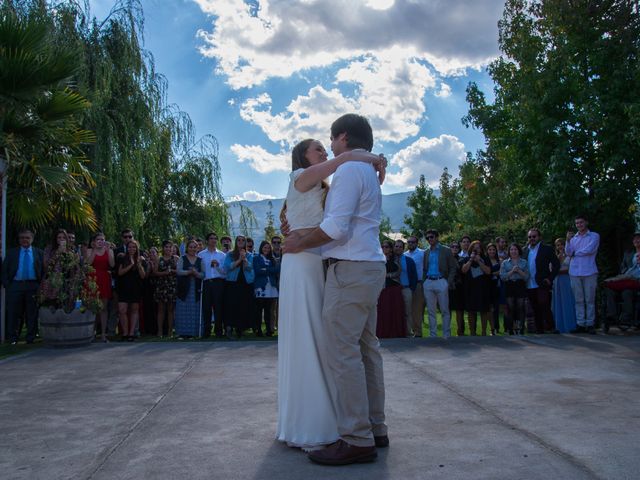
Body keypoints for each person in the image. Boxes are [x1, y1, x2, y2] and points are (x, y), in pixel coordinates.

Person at [284, 113, 389, 465]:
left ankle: (357, 438)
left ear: (342, 137)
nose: (329, 147)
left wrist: (301, 244)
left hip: (350, 269)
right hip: (370, 265)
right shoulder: (368, 172)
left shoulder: (348, 171)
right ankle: (376, 428)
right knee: (365, 349)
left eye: (330, 140)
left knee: (342, 353)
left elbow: (336, 227)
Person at [2, 229, 45, 344]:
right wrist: (8, 285)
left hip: (33, 285)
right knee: (14, 313)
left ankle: (30, 337)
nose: (24, 240)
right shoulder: (12, 253)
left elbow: (44, 270)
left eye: (27, 237)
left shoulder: (39, 253)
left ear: (32, 239)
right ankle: (13, 338)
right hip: (16, 285)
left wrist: (41, 285)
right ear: (19, 239)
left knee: (32, 313)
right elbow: (4, 270)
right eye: (22, 238)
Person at [566, 215, 600, 334]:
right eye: (577, 223)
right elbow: (568, 253)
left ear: (586, 222)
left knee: (589, 299)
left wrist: (576, 253)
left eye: (581, 222)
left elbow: (590, 249)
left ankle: (590, 323)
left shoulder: (594, 236)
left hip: (589, 271)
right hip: (575, 272)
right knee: (578, 300)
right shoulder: (573, 238)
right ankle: (580, 323)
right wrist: (567, 241)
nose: (579, 225)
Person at [523, 228, 560, 334]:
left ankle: (551, 327)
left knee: (544, 304)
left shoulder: (546, 249)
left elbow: (556, 264)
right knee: (535, 307)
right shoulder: (525, 250)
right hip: (529, 283)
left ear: (539, 237)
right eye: (530, 237)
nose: (532, 239)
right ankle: (539, 329)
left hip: (542, 282)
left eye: (534, 236)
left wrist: (550, 278)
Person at [422, 229, 457, 338]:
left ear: (437, 237)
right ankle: (433, 335)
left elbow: (453, 267)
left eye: (431, 237)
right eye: (427, 238)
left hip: (441, 281)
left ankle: (446, 334)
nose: (429, 239)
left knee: (444, 310)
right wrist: (424, 282)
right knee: (431, 311)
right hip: (429, 281)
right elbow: (424, 268)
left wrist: (448, 282)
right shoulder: (426, 252)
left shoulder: (445, 250)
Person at [604, 233, 640, 327]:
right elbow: (623, 268)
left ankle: (626, 317)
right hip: (626, 278)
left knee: (627, 292)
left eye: (639, 239)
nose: (636, 241)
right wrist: (624, 274)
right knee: (610, 290)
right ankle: (612, 316)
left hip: (637, 280)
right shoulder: (628, 253)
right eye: (635, 239)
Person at [223, 236, 255, 339]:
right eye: (239, 240)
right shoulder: (230, 254)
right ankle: (229, 329)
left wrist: (244, 259)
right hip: (233, 283)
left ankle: (240, 329)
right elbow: (227, 267)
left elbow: (250, 268)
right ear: (236, 242)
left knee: (243, 306)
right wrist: (239, 260)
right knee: (231, 306)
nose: (241, 242)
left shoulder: (249, 255)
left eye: (243, 240)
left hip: (245, 284)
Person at [85, 232, 115, 342]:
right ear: (94, 241)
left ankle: (103, 333)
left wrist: (108, 251)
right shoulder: (89, 251)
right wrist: (94, 250)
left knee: (103, 307)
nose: (101, 241)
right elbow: (88, 263)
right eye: (98, 239)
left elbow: (112, 264)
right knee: (92, 307)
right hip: (92, 279)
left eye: (102, 239)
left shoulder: (109, 250)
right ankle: (91, 333)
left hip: (104, 279)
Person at [116, 240, 146, 341]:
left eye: (134, 247)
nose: (132, 249)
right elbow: (120, 273)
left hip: (135, 287)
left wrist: (138, 265)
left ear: (137, 248)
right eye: (130, 247)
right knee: (122, 310)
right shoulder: (122, 258)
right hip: (124, 287)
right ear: (127, 248)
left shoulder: (141, 259)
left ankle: (131, 333)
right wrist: (130, 265)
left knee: (134, 310)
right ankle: (125, 333)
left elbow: (143, 276)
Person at [198, 232, 227, 338]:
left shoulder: (222, 255)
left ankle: (219, 331)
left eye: (215, 238)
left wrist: (218, 266)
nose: (213, 240)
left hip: (218, 283)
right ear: (207, 240)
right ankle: (207, 331)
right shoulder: (201, 255)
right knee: (206, 307)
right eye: (211, 238)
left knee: (218, 307)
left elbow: (225, 273)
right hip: (206, 283)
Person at [175, 239, 205, 338]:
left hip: (195, 288)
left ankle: (195, 331)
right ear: (187, 248)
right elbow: (178, 271)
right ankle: (183, 333)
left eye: (194, 247)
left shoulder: (200, 260)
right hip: (184, 288)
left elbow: (203, 274)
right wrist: (188, 272)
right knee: (183, 310)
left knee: (195, 310)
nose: (192, 249)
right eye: (190, 247)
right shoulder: (182, 258)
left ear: (197, 248)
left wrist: (196, 273)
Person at [376, 240, 406, 338]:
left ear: (391, 248)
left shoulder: (395, 259)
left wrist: (387, 275)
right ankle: (383, 333)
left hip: (394, 289)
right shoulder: (378, 259)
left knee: (395, 312)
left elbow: (398, 271)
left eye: (387, 247)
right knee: (383, 311)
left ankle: (396, 333)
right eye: (383, 247)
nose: (384, 249)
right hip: (383, 289)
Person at [461, 240, 491, 335]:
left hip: (483, 288)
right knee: (471, 311)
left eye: (478, 247)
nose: (476, 249)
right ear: (471, 249)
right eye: (474, 247)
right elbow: (464, 270)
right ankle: (472, 332)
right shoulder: (466, 259)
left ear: (481, 249)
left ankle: (483, 332)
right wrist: (471, 260)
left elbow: (488, 271)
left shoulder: (485, 259)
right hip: (470, 289)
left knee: (484, 311)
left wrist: (479, 260)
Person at [500, 243, 530, 335]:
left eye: (515, 249)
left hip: (520, 285)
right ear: (509, 251)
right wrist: (512, 271)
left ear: (519, 251)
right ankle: (510, 328)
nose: (513, 251)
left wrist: (519, 271)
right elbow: (502, 276)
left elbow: (527, 277)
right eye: (512, 250)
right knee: (510, 307)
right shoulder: (505, 262)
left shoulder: (524, 262)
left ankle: (520, 328)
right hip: (509, 285)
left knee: (520, 307)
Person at [253, 240, 280, 337]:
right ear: (261, 248)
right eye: (265, 247)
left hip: (271, 287)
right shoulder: (256, 258)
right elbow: (257, 271)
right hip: (261, 286)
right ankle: (258, 330)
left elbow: (276, 269)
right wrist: (269, 270)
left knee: (268, 310)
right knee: (259, 310)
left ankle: (269, 330)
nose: (266, 249)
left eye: (268, 248)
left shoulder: (273, 259)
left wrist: (265, 269)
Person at [153, 240, 178, 338]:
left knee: (171, 310)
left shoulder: (176, 258)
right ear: (163, 248)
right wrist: (164, 273)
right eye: (166, 247)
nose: (168, 249)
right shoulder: (159, 259)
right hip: (161, 286)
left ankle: (170, 331)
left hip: (172, 286)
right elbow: (155, 272)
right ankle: (159, 331)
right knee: (161, 309)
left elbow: (179, 271)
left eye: (170, 247)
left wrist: (172, 271)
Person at [393, 239, 417, 336]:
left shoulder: (409, 261)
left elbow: (414, 276)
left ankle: (408, 332)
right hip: (393, 290)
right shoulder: (389, 260)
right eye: (396, 246)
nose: (398, 248)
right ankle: (395, 332)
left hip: (406, 289)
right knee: (394, 311)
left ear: (403, 249)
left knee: (407, 312)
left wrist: (411, 289)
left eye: (400, 247)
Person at [552, 238, 577, 333]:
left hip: (567, 279)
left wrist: (561, 264)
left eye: (561, 244)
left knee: (568, 300)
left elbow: (570, 268)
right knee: (558, 302)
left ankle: (570, 324)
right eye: (558, 245)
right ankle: (559, 326)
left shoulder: (570, 256)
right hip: (557, 281)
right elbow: (552, 269)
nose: (560, 247)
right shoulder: (556, 256)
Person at [404, 235, 425, 337]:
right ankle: (409, 331)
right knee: (408, 309)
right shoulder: (404, 255)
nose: (410, 244)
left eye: (412, 242)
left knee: (417, 309)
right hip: (407, 285)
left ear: (417, 243)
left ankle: (418, 332)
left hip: (418, 284)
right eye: (409, 242)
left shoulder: (422, 253)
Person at [448, 241, 466, 335]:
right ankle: (447, 331)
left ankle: (460, 331)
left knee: (459, 310)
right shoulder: (446, 259)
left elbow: (462, 270)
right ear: (450, 248)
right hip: (448, 287)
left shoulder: (462, 259)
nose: (455, 248)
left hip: (459, 287)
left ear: (459, 249)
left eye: (456, 247)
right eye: (453, 247)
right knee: (448, 310)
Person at [486, 243, 502, 335]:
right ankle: (492, 328)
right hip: (488, 287)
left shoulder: (499, 261)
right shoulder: (485, 260)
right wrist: (495, 273)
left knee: (496, 308)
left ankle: (497, 327)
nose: (492, 251)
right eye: (490, 249)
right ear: (487, 251)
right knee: (489, 309)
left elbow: (501, 272)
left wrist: (493, 273)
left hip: (497, 286)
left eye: (493, 250)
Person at [269, 235, 283, 333]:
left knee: (281, 306)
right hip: (272, 282)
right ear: (272, 243)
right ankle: (271, 327)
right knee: (272, 306)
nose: (277, 244)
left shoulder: (285, 253)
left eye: (278, 242)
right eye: (274, 242)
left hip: (283, 281)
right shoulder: (269, 254)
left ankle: (280, 327)